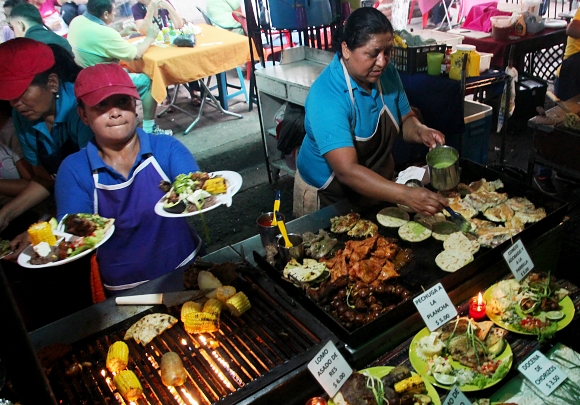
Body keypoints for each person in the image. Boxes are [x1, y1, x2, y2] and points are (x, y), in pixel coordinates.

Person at [54, 63, 203, 295]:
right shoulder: (74, 170)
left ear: (135, 106)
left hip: (186, 268)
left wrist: (197, 192)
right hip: (123, 289)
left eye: (122, 101)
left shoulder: (166, 149)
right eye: (101, 105)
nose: (115, 112)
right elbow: (73, 231)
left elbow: (195, 186)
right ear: (83, 114)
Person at [293, 7, 448, 217]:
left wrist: (421, 131)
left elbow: (405, 119)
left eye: (387, 52)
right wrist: (406, 195)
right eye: (373, 53)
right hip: (329, 196)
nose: (382, 62)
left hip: (376, 189)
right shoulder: (328, 96)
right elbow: (346, 170)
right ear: (346, 49)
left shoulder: (387, 74)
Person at [0, 38, 92, 234]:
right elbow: (45, 180)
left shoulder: (82, 107)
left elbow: (90, 180)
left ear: (52, 82)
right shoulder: (23, 117)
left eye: (21, 92)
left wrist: (50, 226)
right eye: (9, 96)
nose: (14, 103)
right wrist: (5, 215)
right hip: (69, 205)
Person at [68, 0, 174, 135]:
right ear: (106, 14)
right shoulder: (104, 33)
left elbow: (97, 39)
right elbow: (135, 54)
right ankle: (150, 129)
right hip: (103, 81)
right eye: (114, 12)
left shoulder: (77, 21)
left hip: (86, 74)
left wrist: (121, 33)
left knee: (130, 70)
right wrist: (150, 38)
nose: (115, 14)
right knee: (148, 81)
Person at [534, 8, 580, 195]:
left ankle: (565, 170)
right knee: (556, 126)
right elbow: (572, 29)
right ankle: (542, 174)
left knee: (574, 127)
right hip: (573, 73)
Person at [8, 2, 73, 55]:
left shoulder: (23, 50)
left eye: (13, 28)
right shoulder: (63, 41)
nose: (14, 34)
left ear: (20, 25)